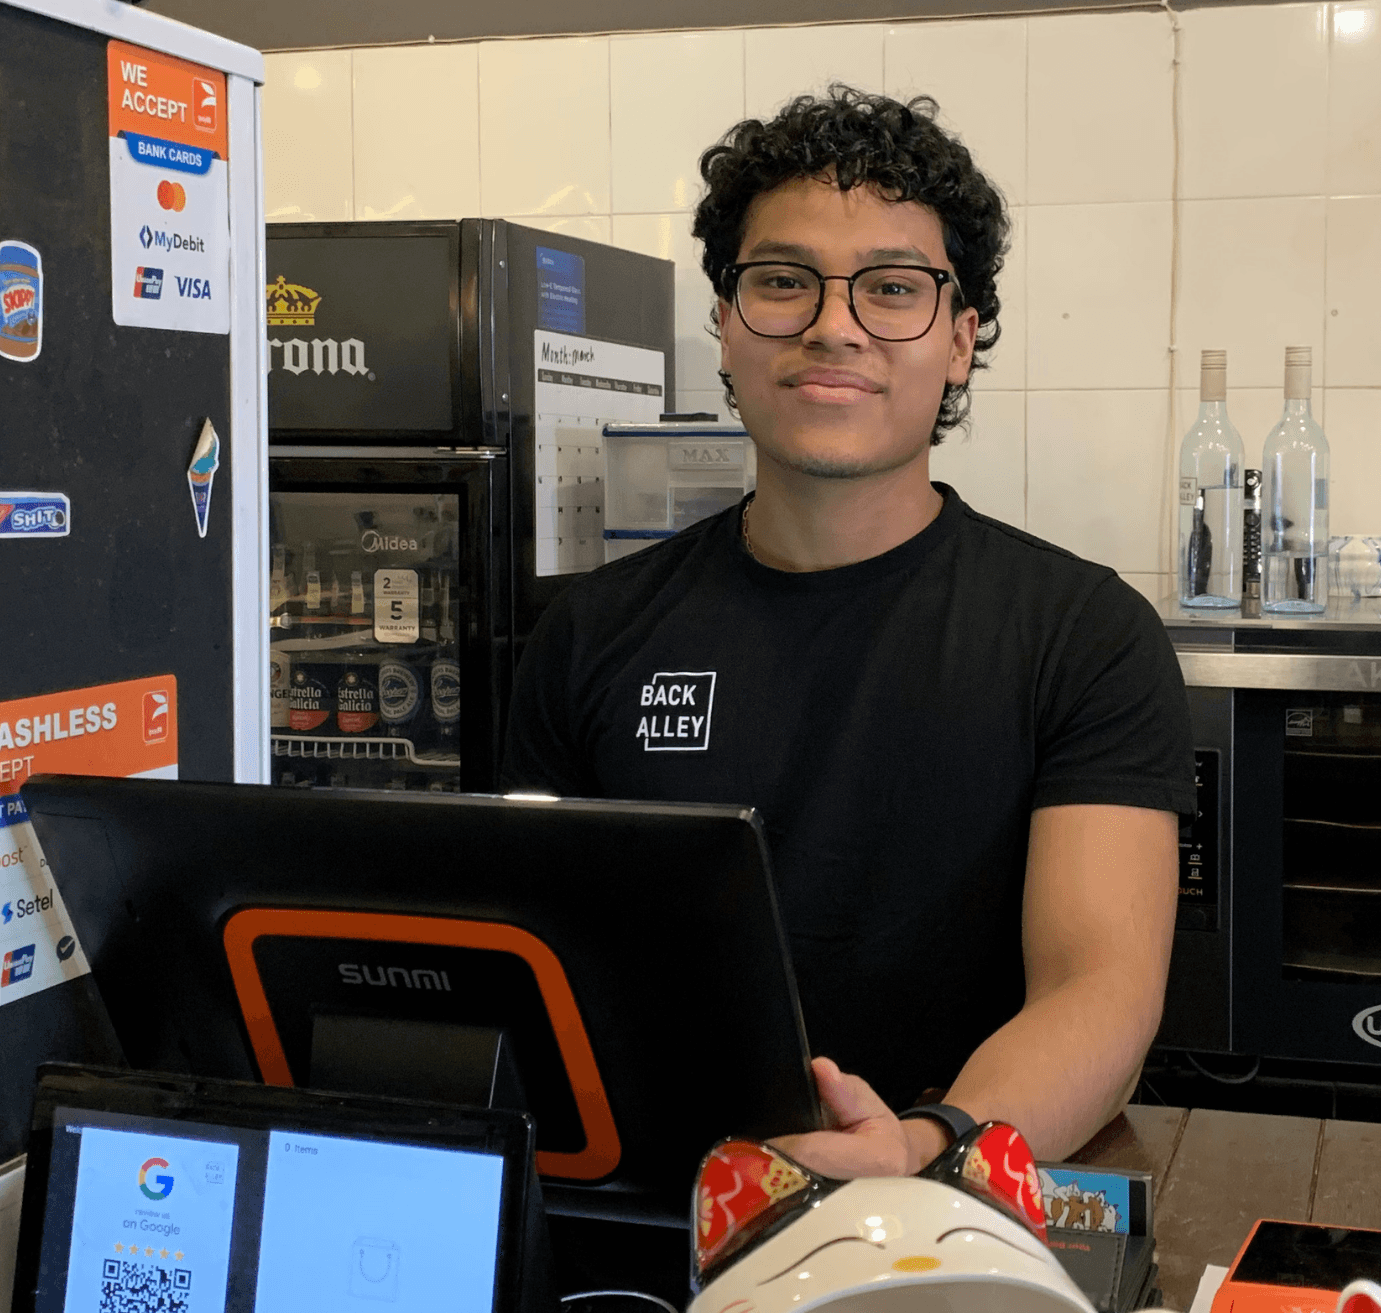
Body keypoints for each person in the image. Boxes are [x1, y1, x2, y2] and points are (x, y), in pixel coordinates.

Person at [504, 86, 1192, 1179]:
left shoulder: (1083, 635)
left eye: (892, 289)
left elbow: (1099, 987)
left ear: (962, 340)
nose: (834, 324)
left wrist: (924, 1151)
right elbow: (528, 963)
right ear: (724, 327)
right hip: (657, 1200)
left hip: (960, 1211)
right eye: (782, 282)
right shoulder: (591, 636)